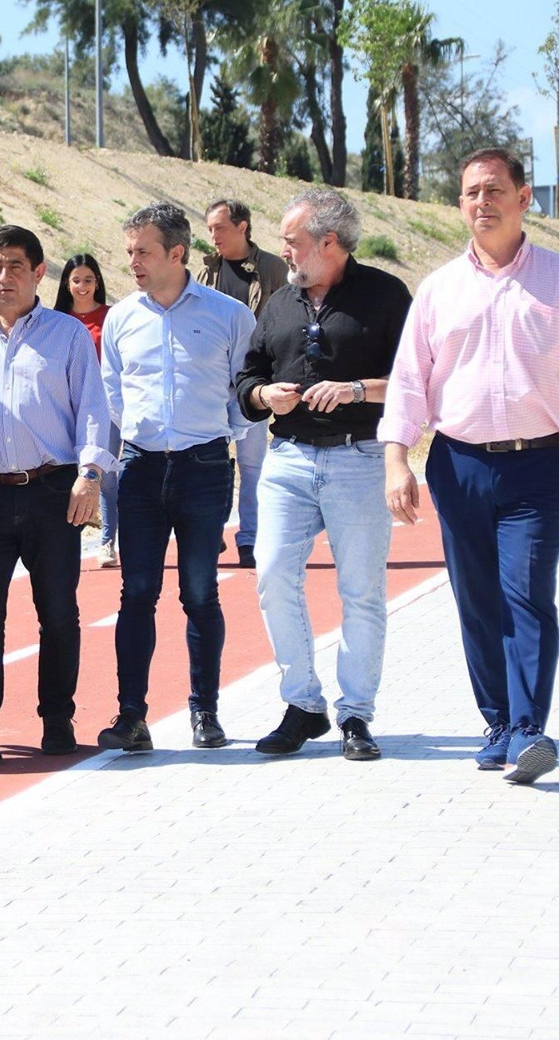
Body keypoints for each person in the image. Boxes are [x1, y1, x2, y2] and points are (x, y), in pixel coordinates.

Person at [381, 147, 559, 785]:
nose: (481, 202)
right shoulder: (439, 289)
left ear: (523, 197)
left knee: (527, 593)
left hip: (538, 467)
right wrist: (396, 459)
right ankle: (497, 724)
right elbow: (409, 381)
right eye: (470, 193)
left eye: (493, 190)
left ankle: (529, 728)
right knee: (477, 598)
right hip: (457, 466)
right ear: (460, 204)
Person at [0, 224, 114, 765]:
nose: (4, 276)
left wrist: (90, 475)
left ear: (38, 273)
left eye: (15, 266)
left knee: (57, 611)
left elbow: (93, 411)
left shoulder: (67, 336)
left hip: (53, 491)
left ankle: (57, 718)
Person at [235, 189, 412, 761]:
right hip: (287, 459)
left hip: (360, 459)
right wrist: (264, 395)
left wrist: (356, 389)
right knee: (271, 575)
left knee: (361, 591)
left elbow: (416, 382)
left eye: (292, 241)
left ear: (328, 242)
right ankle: (303, 705)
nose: (283, 250)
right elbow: (248, 379)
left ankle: (355, 714)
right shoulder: (279, 303)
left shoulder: (386, 295)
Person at [98, 203, 256, 752]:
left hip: (204, 468)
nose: (133, 263)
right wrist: (139, 435)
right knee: (137, 593)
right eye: (129, 252)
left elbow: (245, 389)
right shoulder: (121, 318)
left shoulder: (229, 315)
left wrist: (221, 434)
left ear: (177, 253)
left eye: (143, 252)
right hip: (140, 469)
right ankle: (131, 717)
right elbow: (112, 390)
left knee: (199, 592)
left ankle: (204, 713)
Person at [197, 199, 289, 568]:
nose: (213, 236)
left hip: (254, 384)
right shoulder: (206, 271)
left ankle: (249, 538)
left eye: (219, 228)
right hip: (211, 384)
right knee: (211, 463)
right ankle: (212, 530)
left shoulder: (273, 269)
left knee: (252, 465)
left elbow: (286, 318)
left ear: (242, 227)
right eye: (209, 229)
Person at [54, 254, 119, 569]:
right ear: (66, 284)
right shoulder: (56, 320)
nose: (82, 287)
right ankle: (65, 543)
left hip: (104, 410)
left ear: (98, 282)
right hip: (64, 410)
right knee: (66, 476)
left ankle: (108, 542)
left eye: (88, 280)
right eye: (76, 280)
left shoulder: (111, 317)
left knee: (105, 478)